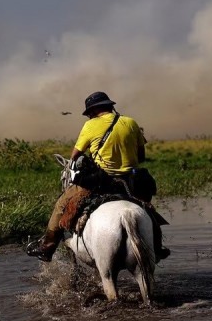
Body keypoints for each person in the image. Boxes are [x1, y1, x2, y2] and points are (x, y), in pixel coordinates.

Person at [26, 90, 169, 262]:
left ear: (93, 111)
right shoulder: (131, 122)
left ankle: (47, 248)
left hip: (101, 181)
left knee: (61, 205)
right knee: (147, 209)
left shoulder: (90, 126)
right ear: (109, 106)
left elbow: (74, 156)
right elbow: (141, 156)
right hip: (132, 182)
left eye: (89, 114)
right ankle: (157, 247)